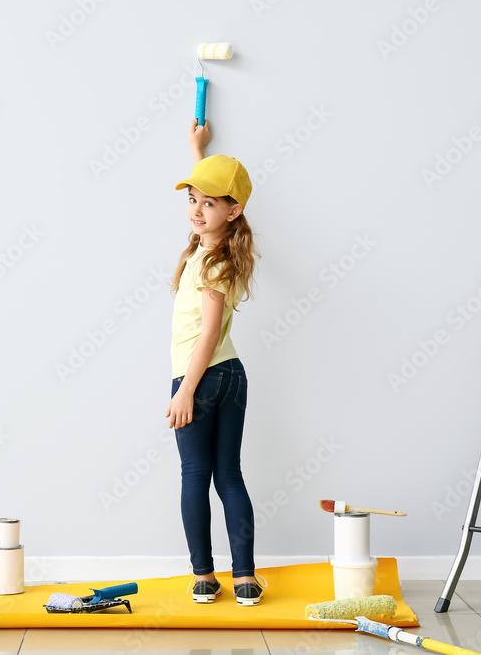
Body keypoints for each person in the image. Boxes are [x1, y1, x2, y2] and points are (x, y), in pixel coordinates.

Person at [166, 119, 264, 606]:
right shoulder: (222, 253)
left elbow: (207, 333)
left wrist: (185, 390)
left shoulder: (212, 263)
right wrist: (197, 148)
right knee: (228, 476)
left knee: (194, 476)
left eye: (209, 203)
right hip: (233, 376)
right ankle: (244, 578)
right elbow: (210, 193)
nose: (197, 210)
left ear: (234, 210)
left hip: (199, 376)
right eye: (192, 200)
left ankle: (204, 576)